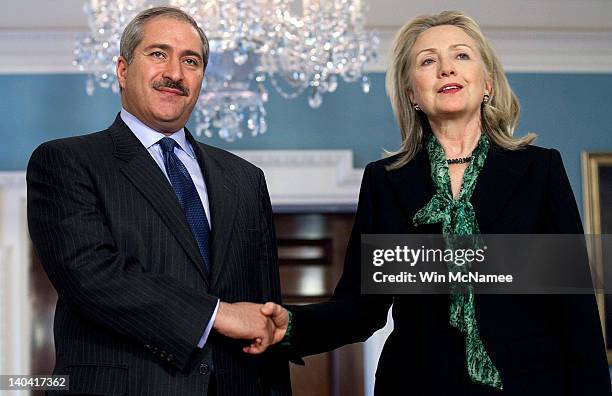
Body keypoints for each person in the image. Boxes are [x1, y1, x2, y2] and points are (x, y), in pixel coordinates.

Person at [256, 10, 611, 395]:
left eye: (461, 55)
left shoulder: (541, 170)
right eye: (427, 61)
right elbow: (361, 309)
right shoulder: (385, 181)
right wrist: (290, 326)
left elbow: (575, 311)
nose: (446, 69)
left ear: (487, 81)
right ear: (412, 93)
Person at [27, 6, 290, 396]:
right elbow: (92, 277)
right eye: (158, 54)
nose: (175, 73)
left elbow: (264, 312)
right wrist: (217, 315)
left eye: (191, 61)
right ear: (122, 69)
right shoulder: (66, 161)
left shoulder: (245, 179)